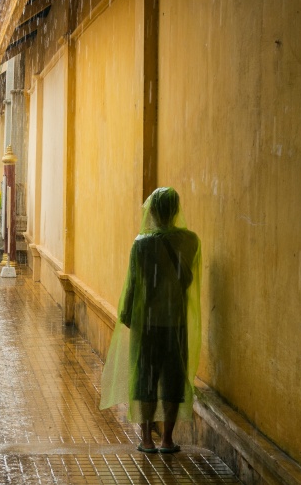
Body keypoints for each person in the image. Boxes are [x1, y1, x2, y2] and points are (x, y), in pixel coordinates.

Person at [100, 187, 201, 454]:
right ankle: (167, 439)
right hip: (175, 323)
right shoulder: (190, 241)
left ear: (153, 211)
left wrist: (125, 316)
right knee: (173, 379)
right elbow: (187, 281)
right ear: (176, 210)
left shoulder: (141, 244)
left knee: (145, 378)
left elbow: (133, 285)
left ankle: (146, 439)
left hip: (146, 323)